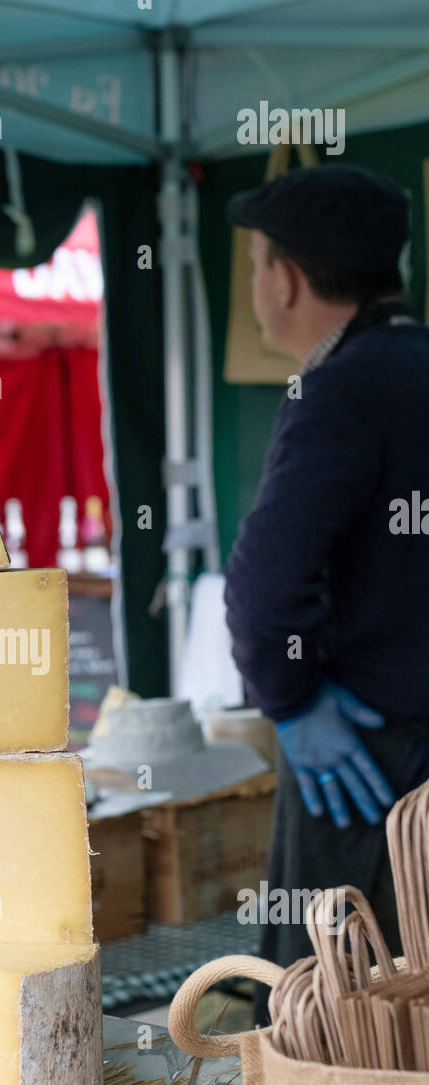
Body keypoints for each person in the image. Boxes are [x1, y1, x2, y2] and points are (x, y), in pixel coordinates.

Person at [223, 163, 429, 1014]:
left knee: (338, 1022)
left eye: (258, 264)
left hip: (366, 774)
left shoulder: (337, 387)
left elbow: (266, 583)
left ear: (287, 278)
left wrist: (294, 700)